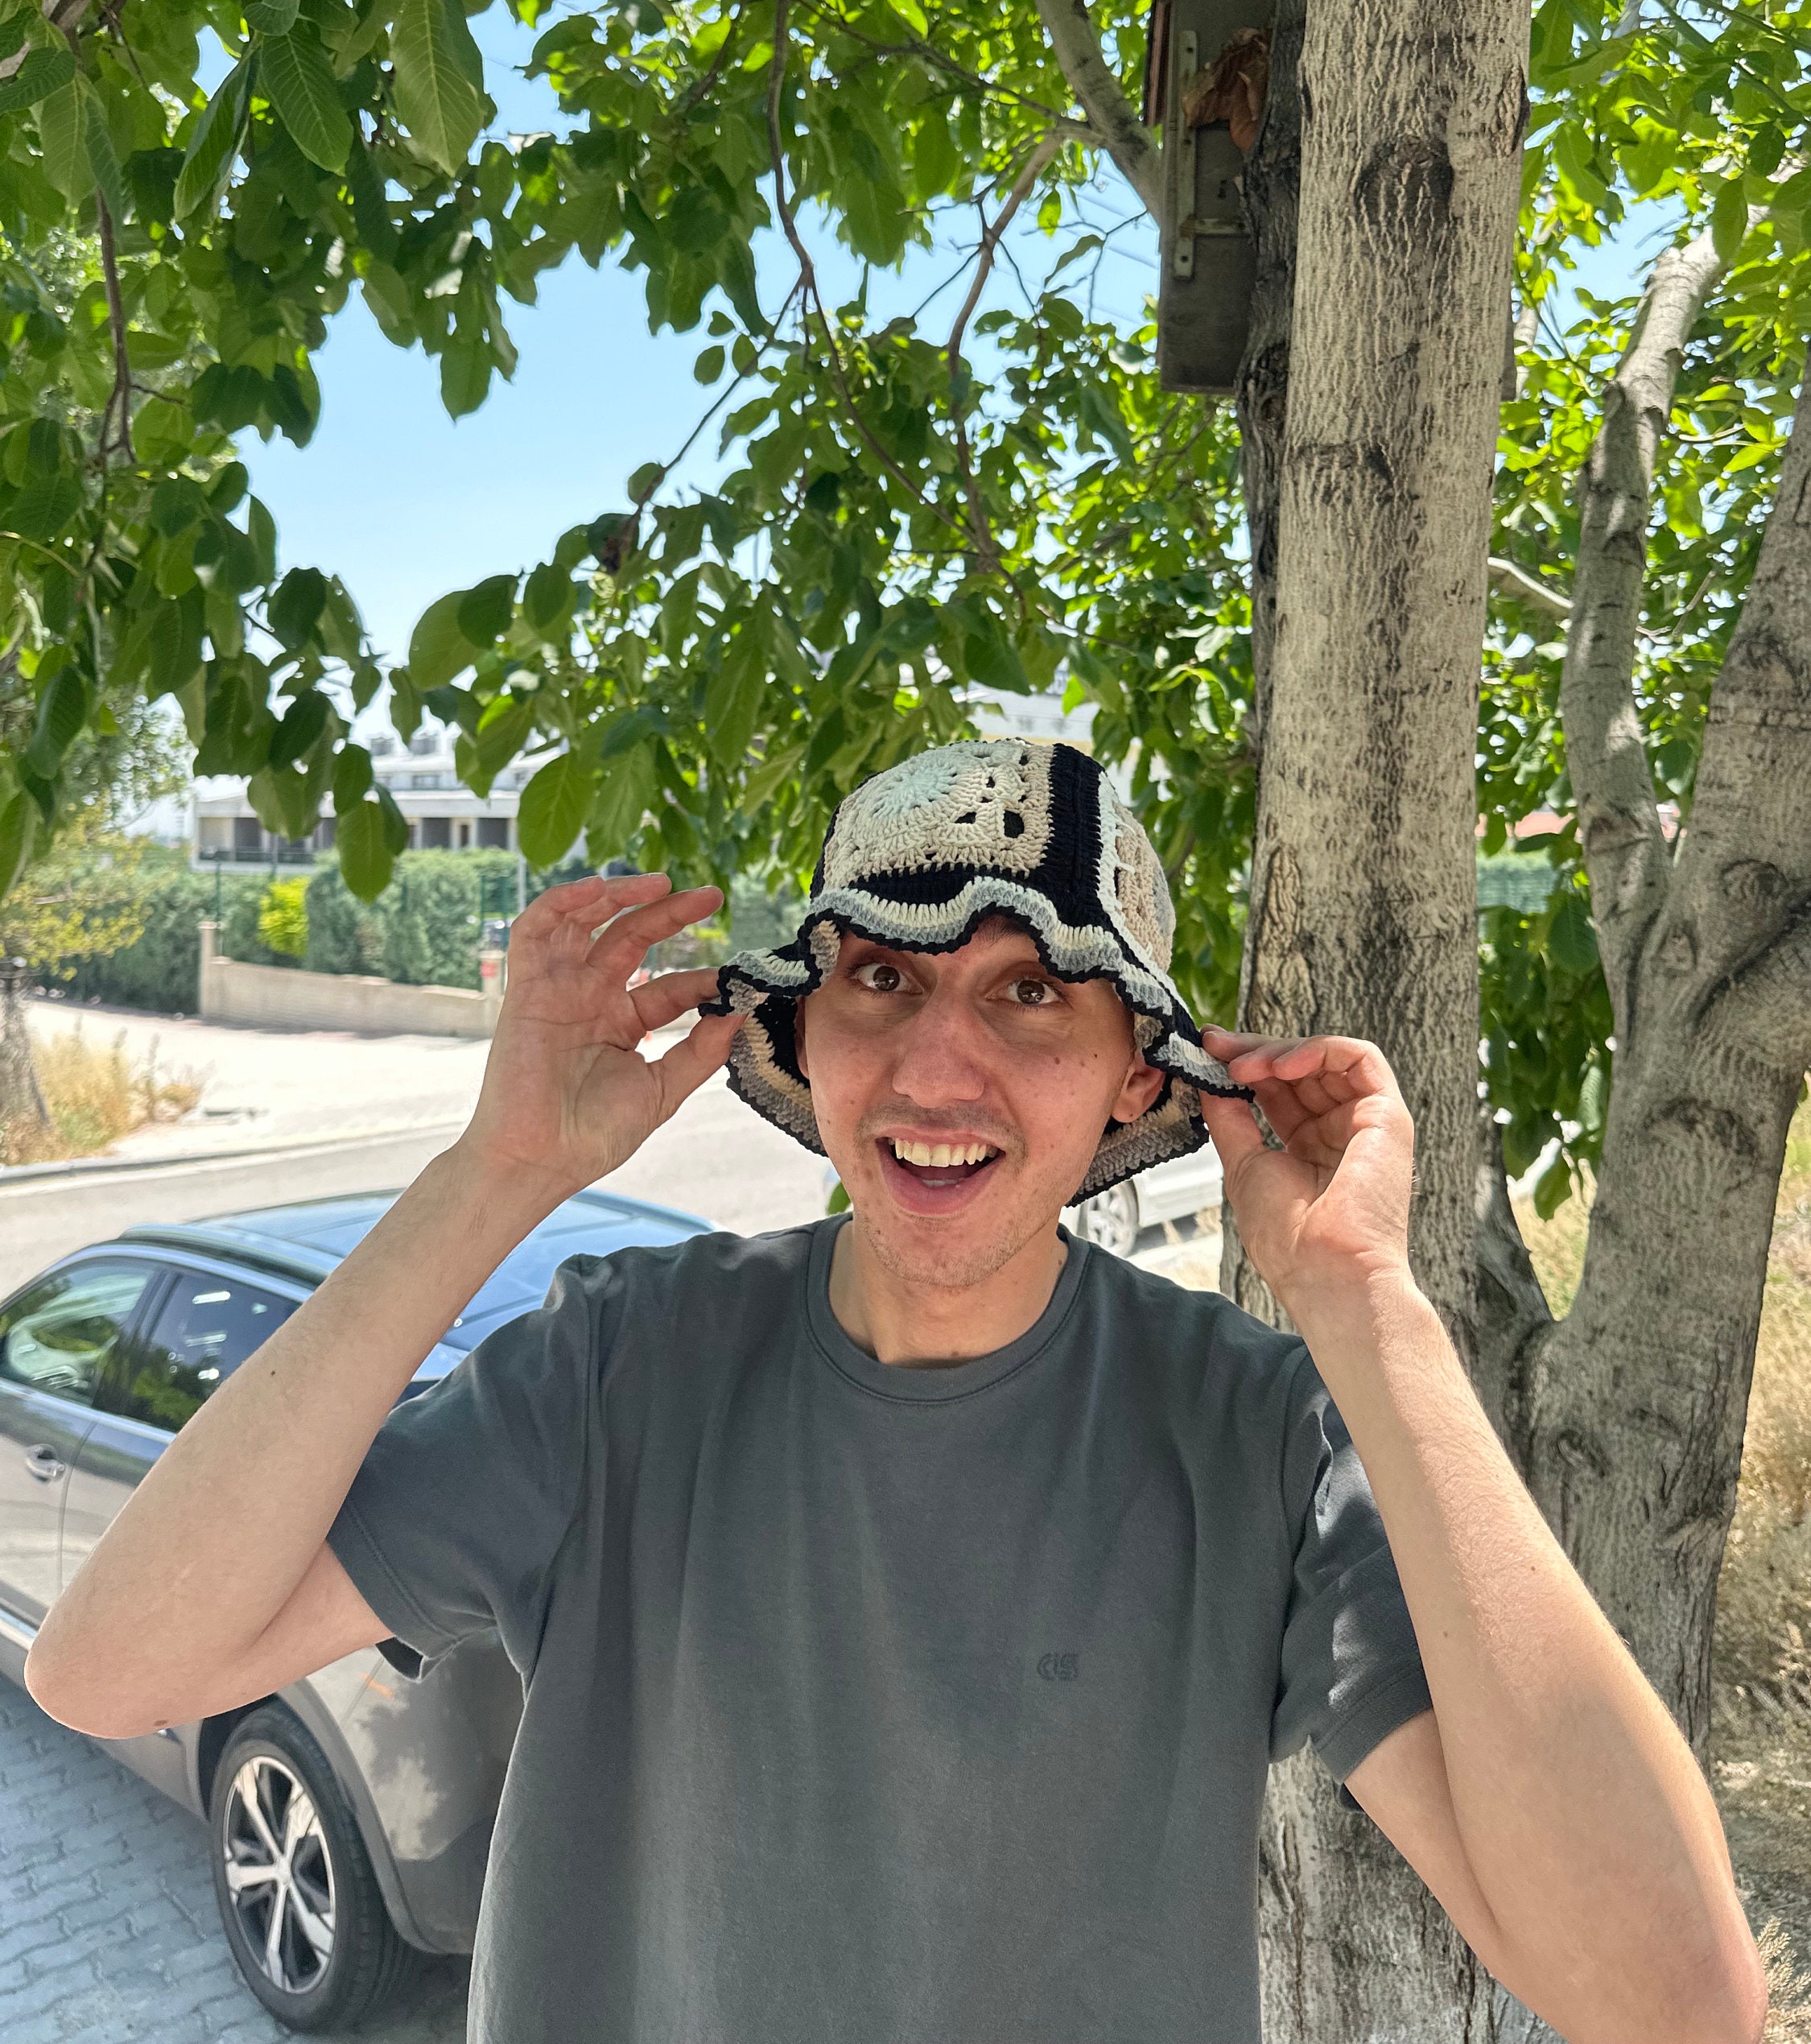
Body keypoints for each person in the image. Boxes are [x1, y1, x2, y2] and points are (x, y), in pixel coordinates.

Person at [28, 739, 1764, 2044]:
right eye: (883, 978)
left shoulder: (1257, 1437)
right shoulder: (619, 1368)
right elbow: (115, 1670)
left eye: (1032, 996)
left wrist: (1374, 1316)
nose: (940, 1064)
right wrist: (494, 1175)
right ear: (808, 1036)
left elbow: (1672, 2002)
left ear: (1132, 1088)